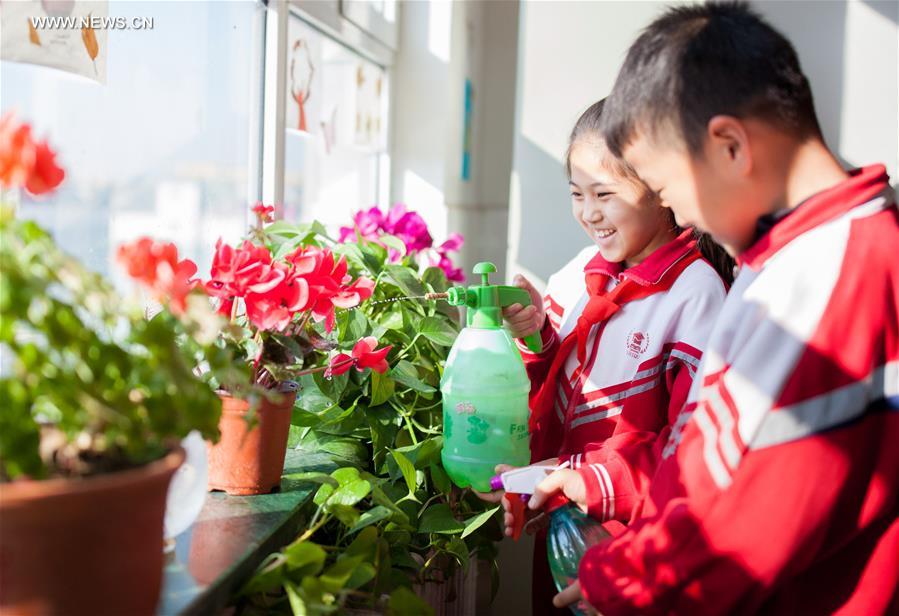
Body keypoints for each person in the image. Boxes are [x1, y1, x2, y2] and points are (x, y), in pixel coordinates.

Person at [534, 3, 899, 614]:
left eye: (670, 188)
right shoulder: (787, 259)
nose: (682, 215)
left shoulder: (833, 270)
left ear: (729, 144)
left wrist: (623, 582)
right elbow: (712, 444)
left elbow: (749, 520)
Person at [487, 98, 732, 613]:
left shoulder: (696, 293)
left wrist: (589, 479)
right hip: (563, 522)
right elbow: (562, 381)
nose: (589, 213)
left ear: (661, 191)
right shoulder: (579, 271)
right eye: (577, 194)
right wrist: (535, 336)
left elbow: (690, 445)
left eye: (606, 194)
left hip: (634, 540)